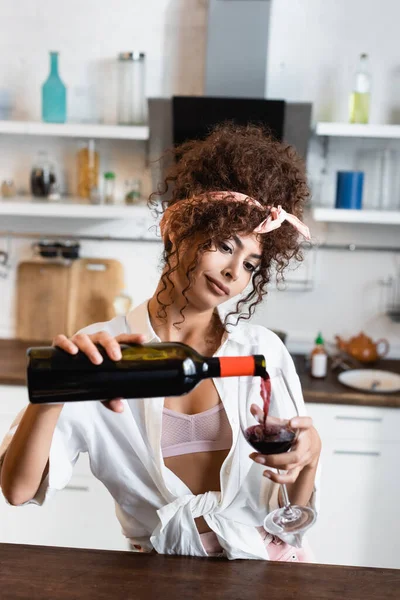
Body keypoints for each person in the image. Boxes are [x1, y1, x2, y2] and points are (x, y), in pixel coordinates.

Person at [0, 123, 321, 561]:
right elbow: (17, 490)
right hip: (153, 576)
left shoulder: (261, 354)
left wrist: (310, 457)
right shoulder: (103, 351)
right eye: (224, 245)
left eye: (250, 263)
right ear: (177, 229)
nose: (233, 274)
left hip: (264, 569)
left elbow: (294, 512)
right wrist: (52, 394)